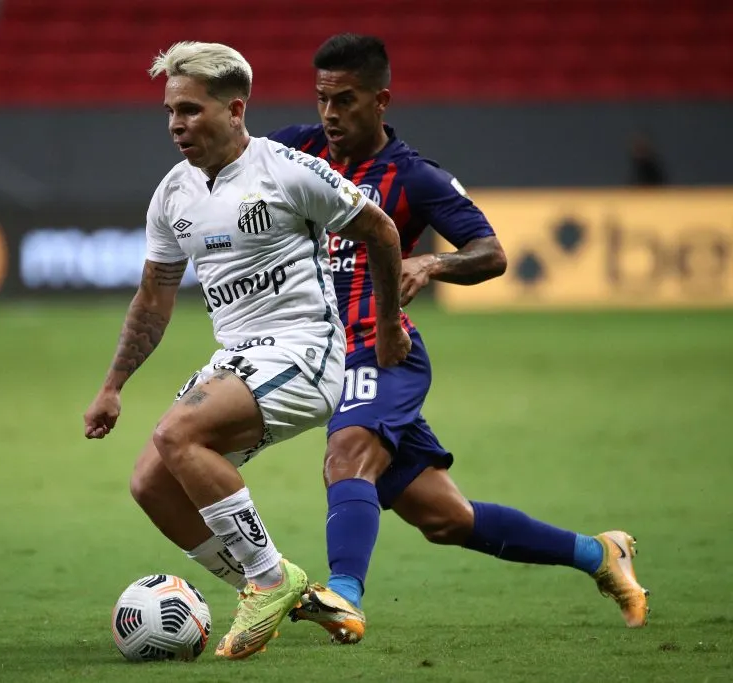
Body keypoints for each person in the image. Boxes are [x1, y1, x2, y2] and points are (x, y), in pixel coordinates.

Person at [262, 34, 650, 643]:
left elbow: (491, 252)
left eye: (346, 100)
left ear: (381, 99)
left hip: (383, 348)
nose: (331, 114)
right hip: (320, 354)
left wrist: (429, 265)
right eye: (322, 99)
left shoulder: (413, 177)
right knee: (445, 518)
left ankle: (343, 594)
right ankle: (599, 554)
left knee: (347, 456)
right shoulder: (296, 149)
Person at [83, 40, 411, 660]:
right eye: (170, 112)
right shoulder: (173, 194)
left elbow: (382, 230)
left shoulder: (287, 171)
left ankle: (267, 578)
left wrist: (389, 324)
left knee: (178, 434)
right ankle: (275, 590)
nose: (177, 124)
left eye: (190, 110)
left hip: (305, 354)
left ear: (234, 110)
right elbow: (154, 295)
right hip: (238, 357)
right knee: (152, 481)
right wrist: (112, 385)